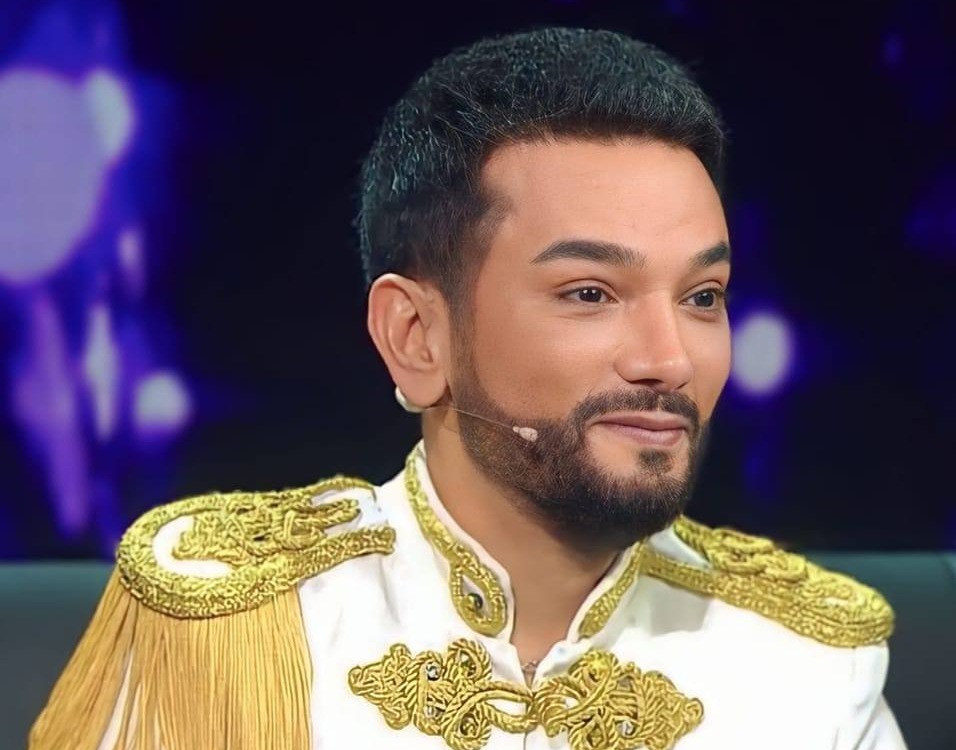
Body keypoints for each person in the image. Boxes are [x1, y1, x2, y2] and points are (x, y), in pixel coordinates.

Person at [30, 27, 907, 750]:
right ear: (417, 338)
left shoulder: (809, 664)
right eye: (590, 294)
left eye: (702, 297)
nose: (668, 358)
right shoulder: (232, 624)